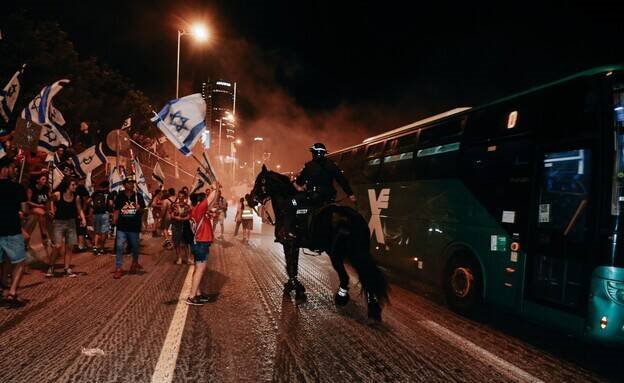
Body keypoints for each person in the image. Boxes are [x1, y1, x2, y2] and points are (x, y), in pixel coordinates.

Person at [0, 157, 28, 307]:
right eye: (13, 167)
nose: (15, 170)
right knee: (20, 262)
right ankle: (12, 293)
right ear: (5, 169)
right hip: (12, 231)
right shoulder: (17, 188)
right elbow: (25, 209)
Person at [186, 185, 220, 305]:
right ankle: (191, 296)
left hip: (199, 243)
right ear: (200, 202)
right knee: (200, 269)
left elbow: (211, 202)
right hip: (200, 244)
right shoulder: (199, 209)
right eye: (204, 199)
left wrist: (216, 191)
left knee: (198, 269)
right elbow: (210, 199)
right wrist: (214, 187)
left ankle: (197, 293)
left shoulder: (196, 211)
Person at [48, 178, 86, 277]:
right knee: (57, 246)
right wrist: (52, 210)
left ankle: (67, 268)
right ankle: (51, 266)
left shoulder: (76, 197)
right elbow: (50, 200)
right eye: (73, 185)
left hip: (71, 223)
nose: (75, 187)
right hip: (59, 222)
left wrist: (83, 219)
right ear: (67, 185)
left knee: (69, 246)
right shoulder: (58, 194)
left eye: (75, 185)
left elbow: (79, 209)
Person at [112, 177, 146, 279]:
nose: (132, 185)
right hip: (122, 226)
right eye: (129, 183)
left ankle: (134, 262)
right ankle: (118, 267)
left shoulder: (138, 196)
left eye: (132, 183)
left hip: (134, 227)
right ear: (124, 185)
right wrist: (114, 221)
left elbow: (143, 210)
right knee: (119, 246)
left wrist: (140, 211)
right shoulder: (120, 196)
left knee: (135, 247)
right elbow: (117, 210)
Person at [24, 174, 51, 243]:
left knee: (48, 215)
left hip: (42, 207)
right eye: (43, 179)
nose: (45, 181)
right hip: (32, 207)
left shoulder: (46, 188)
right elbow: (28, 201)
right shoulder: (32, 188)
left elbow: (48, 200)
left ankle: (51, 237)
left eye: (46, 179)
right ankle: (44, 234)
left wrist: (49, 210)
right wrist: (39, 206)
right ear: (38, 180)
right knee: (42, 213)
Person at [170, 190, 193, 265]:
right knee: (177, 243)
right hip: (176, 226)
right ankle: (179, 258)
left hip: (184, 226)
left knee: (186, 243)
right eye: (179, 196)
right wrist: (176, 217)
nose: (180, 198)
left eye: (182, 196)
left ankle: (188, 258)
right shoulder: (174, 205)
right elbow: (171, 215)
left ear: (185, 197)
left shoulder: (187, 206)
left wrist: (181, 219)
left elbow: (189, 216)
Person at [91, 181, 113, 255]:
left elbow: (88, 201)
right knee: (104, 232)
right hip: (104, 214)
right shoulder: (108, 193)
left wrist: (93, 207)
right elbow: (111, 203)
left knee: (97, 231)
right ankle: (102, 248)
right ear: (107, 186)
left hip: (96, 214)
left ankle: (95, 246)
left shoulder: (95, 193)